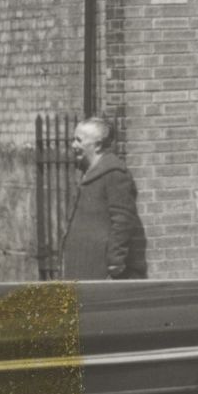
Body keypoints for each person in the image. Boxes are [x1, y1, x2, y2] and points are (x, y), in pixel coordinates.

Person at [58, 114, 148, 280]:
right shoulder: (87, 171)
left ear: (97, 145)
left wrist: (115, 261)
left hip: (99, 268)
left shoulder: (115, 174)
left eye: (78, 140)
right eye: (73, 139)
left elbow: (123, 220)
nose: (73, 145)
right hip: (82, 263)